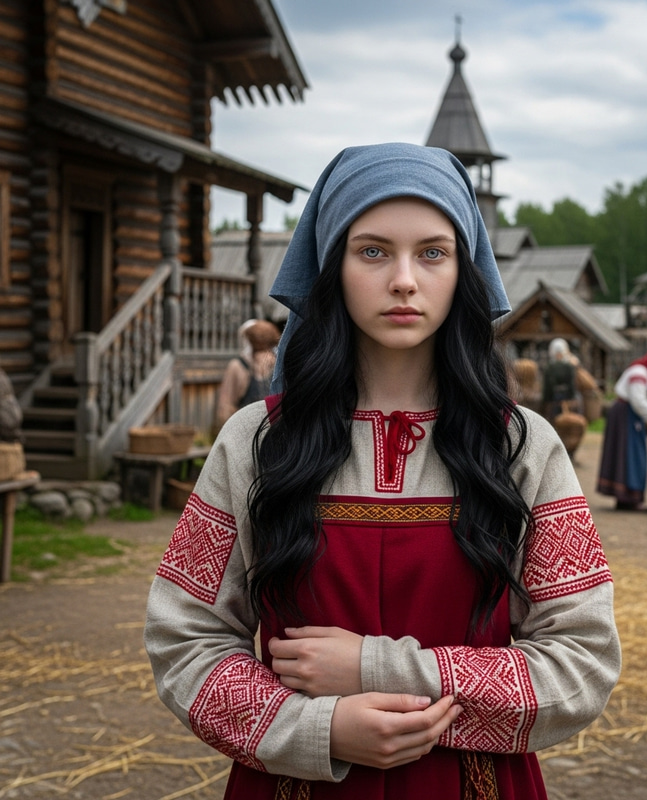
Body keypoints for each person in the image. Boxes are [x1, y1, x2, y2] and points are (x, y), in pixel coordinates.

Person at [144, 142, 620, 799]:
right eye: (372, 251)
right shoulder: (255, 441)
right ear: (332, 266)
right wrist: (317, 729)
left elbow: (583, 664)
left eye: (432, 253)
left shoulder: (521, 447)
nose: (403, 279)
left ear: (464, 270)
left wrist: (380, 668)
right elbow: (185, 640)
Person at [597, 348, 647, 511]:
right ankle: (627, 497)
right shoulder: (639, 374)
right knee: (629, 454)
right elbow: (638, 402)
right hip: (625, 416)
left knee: (632, 454)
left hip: (631, 416)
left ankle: (628, 497)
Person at [215, 319, 281, 430]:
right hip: (274, 430)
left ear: (249, 341)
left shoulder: (237, 367)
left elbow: (225, 408)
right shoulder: (279, 366)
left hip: (245, 431)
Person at [541, 337, 576, 421]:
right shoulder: (569, 366)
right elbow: (571, 384)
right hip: (566, 396)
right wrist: (572, 397)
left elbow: (547, 386)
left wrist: (546, 400)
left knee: (553, 418)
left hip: (554, 397)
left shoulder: (549, 367)